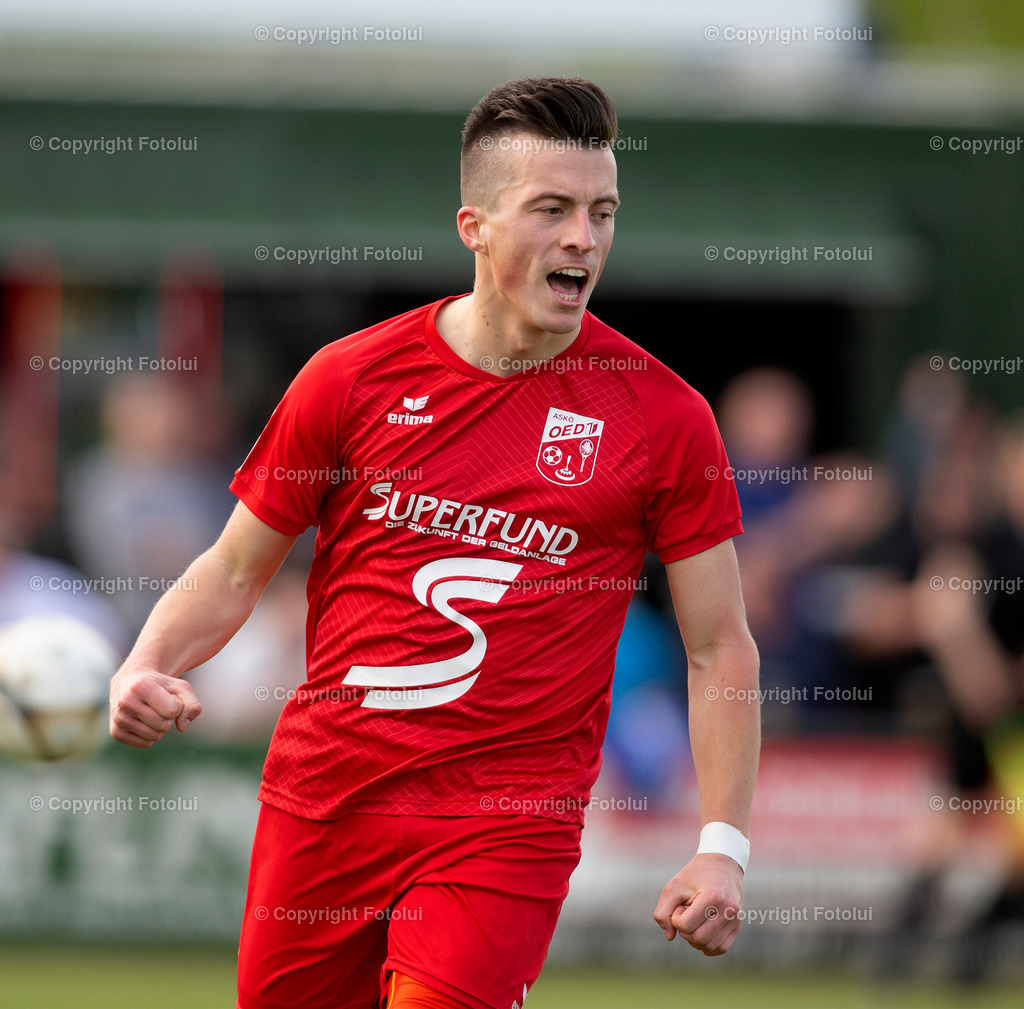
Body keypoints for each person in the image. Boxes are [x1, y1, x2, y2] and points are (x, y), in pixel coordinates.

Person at [108, 77, 760, 1009]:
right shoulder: (351, 378)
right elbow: (233, 567)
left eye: (602, 212)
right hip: (327, 801)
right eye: (553, 209)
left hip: (505, 826)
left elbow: (718, 642)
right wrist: (146, 662)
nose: (585, 237)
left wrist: (721, 844)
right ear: (475, 227)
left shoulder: (663, 415)